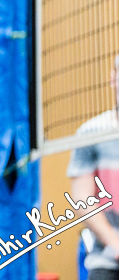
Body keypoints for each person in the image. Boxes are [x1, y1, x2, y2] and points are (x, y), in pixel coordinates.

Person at [68, 55, 119, 280]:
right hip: (107, 259)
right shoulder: (92, 132)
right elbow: (82, 200)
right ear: (112, 79)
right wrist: (115, 242)